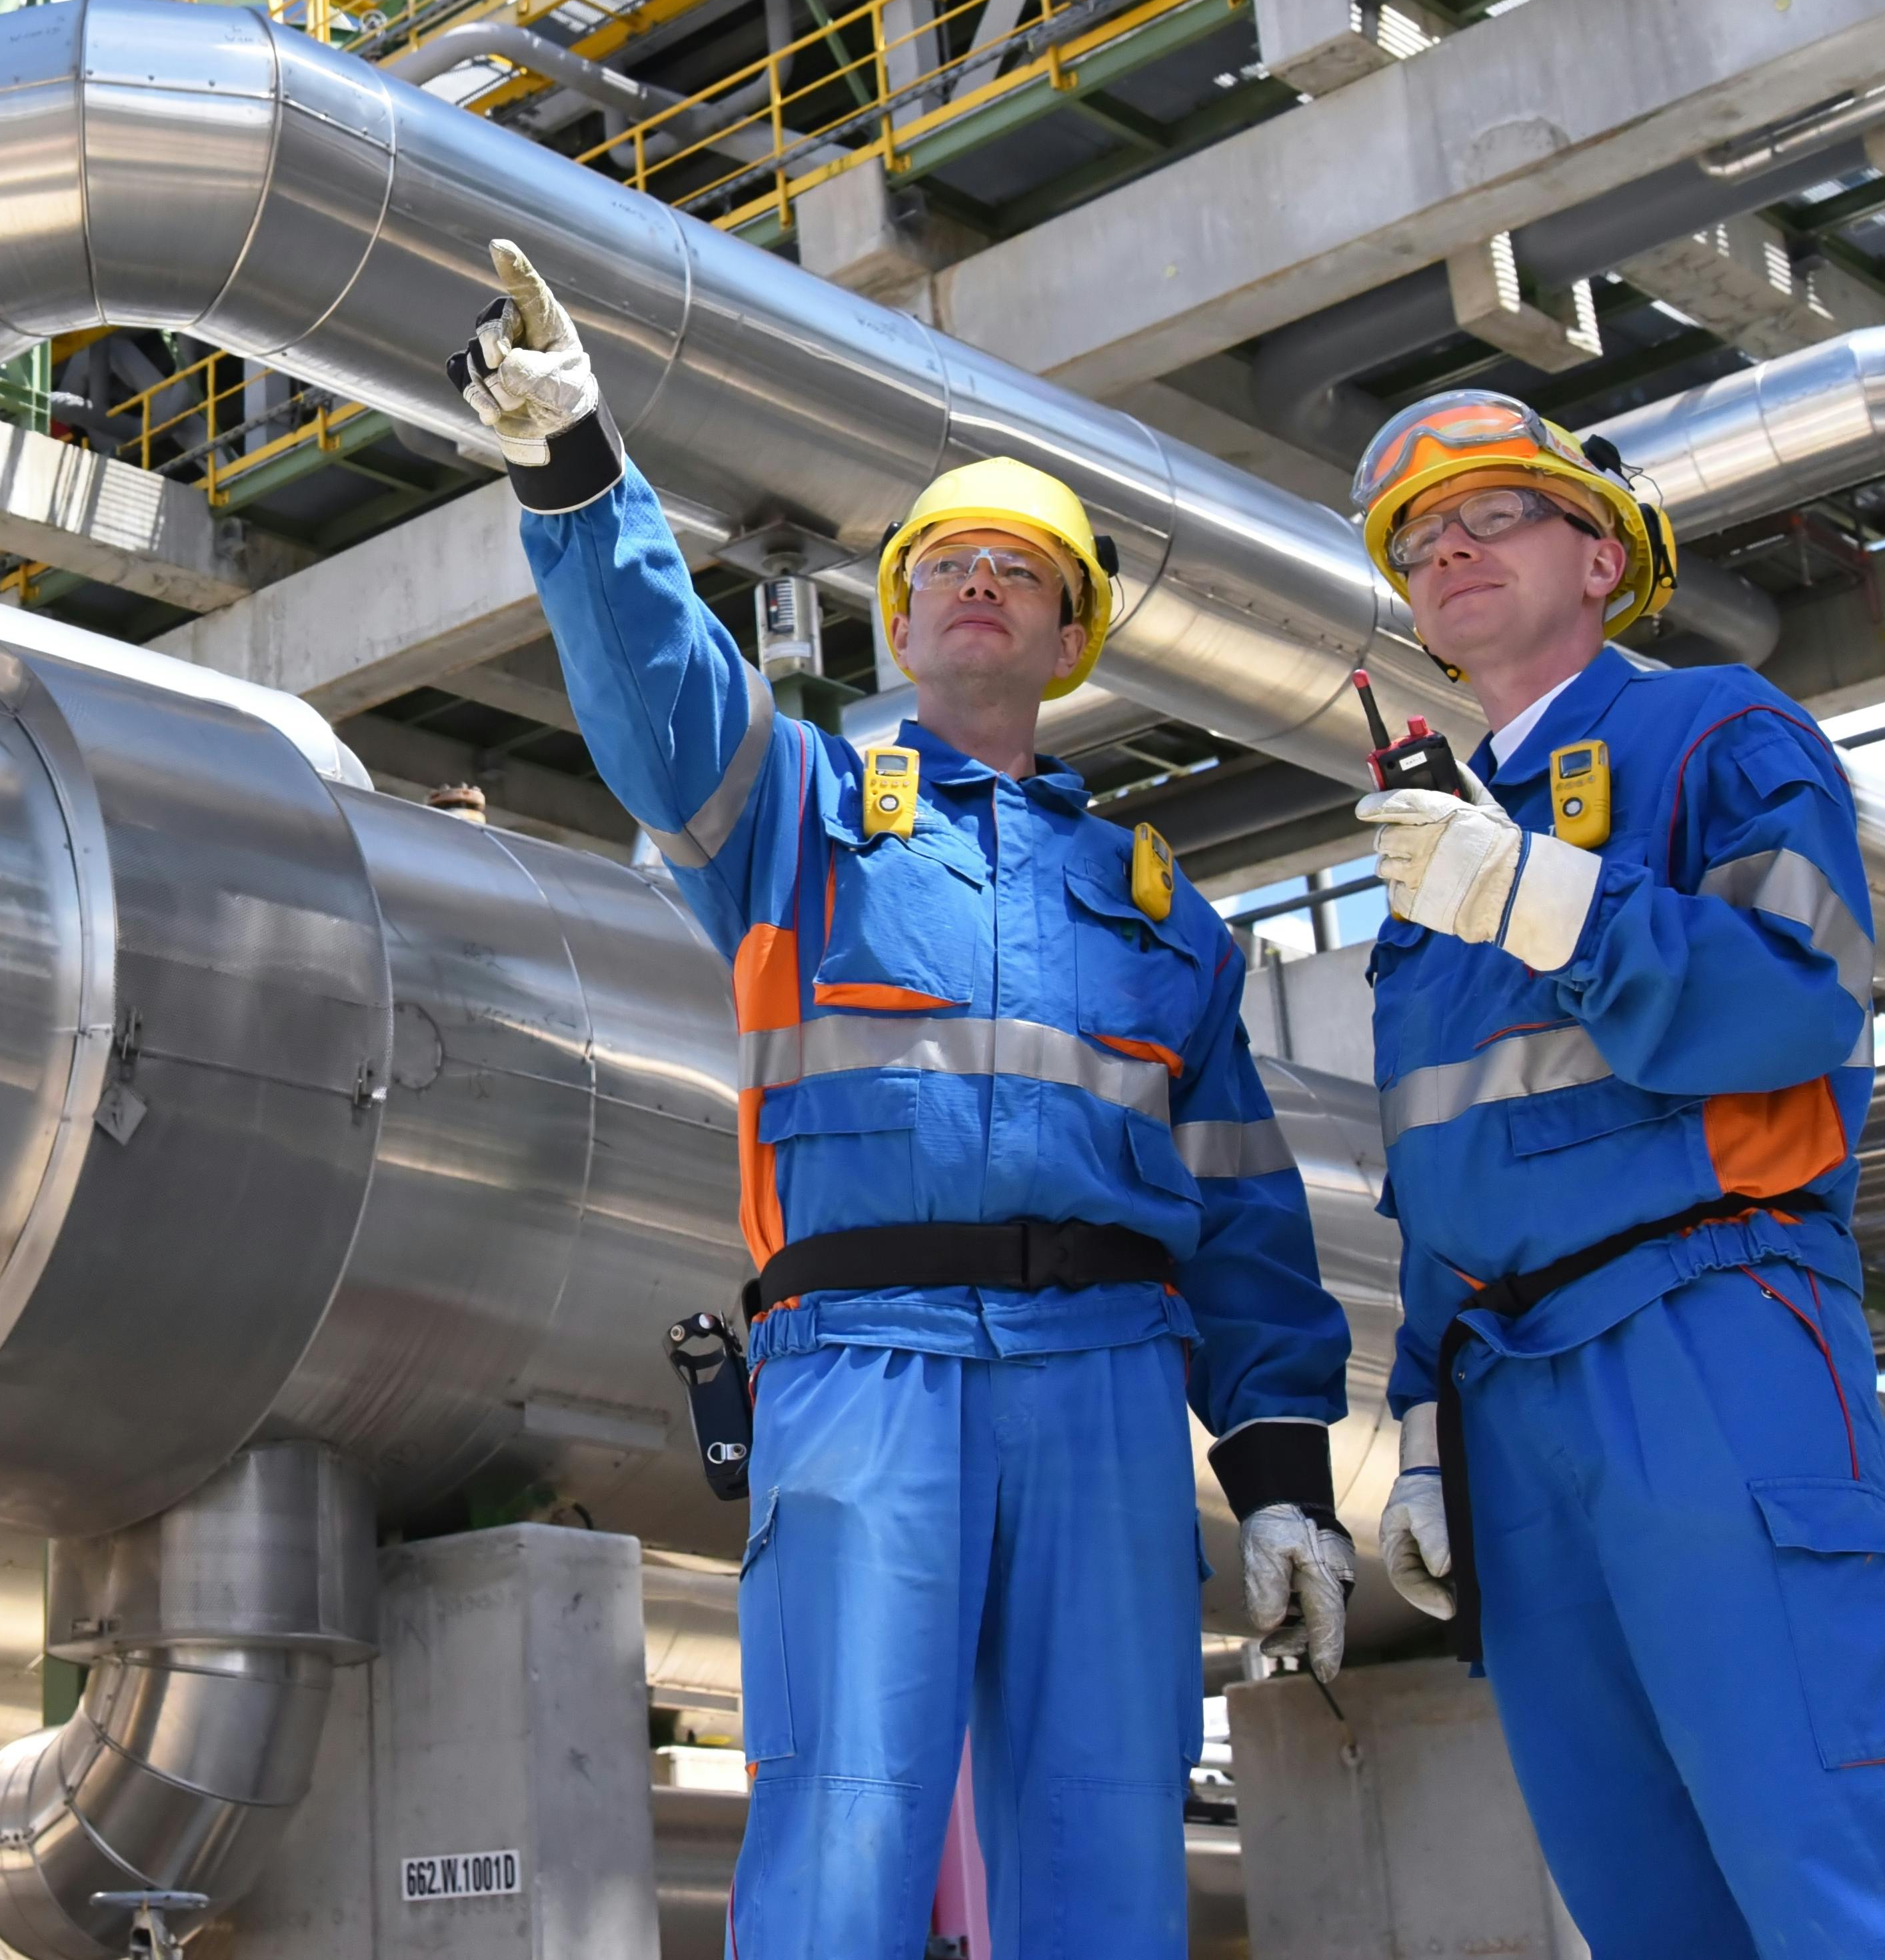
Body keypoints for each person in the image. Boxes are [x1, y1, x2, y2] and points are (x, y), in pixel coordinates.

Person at [453, 242, 1352, 1957]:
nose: (973, 588)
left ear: (1065, 631)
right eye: (941, 564)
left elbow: (1242, 1214)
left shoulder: (1163, 913)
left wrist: (1288, 1470)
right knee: (845, 1824)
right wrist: (573, 464)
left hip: (1105, 1386)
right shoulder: (796, 813)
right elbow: (659, 697)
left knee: (1103, 1829)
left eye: (1017, 571)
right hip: (861, 1369)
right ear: (896, 609)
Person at [1342, 390, 1885, 1953]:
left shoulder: (1713, 730)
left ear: (1597, 555)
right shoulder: (1430, 864)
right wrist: (1423, 1415)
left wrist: (1537, 895)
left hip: (1708, 1326)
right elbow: (1446, 1162)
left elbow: (1788, 999)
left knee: (1827, 1849)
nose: (1450, 549)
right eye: (1421, 542)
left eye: (1492, 514)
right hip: (1506, 1395)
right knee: (1634, 1883)